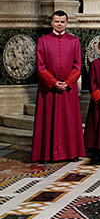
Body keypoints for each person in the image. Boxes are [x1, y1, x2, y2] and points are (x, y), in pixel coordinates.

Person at [32, 11, 85, 163]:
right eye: (56, 21)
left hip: (68, 88)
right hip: (48, 88)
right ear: (52, 23)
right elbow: (40, 66)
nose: (59, 24)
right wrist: (53, 82)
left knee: (69, 119)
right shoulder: (43, 40)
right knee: (47, 119)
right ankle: (47, 154)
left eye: (62, 21)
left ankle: (71, 153)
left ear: (67, 23)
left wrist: (67, 83)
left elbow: (78, 65)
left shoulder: (74, 41)